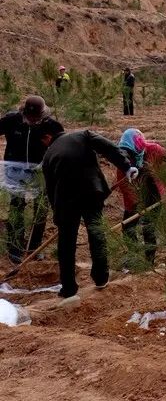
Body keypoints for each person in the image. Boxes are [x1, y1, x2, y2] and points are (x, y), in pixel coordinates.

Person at [42, 129, 138, 303]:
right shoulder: (83, 135)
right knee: (97, 233)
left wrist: (57, 215)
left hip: (66, 200)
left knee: (66, 244)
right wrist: (126, 166)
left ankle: (69, 288)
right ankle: (101, 278)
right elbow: (108, 148)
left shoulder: (48, 155)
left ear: (48, 137)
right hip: (92, 191)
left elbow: (50, 189)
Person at [1, 96, 64, 263]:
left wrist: (53, 144)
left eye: (36, 119)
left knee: (41, 209)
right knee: (17, 206)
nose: (33, 121)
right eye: (30, 118)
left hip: (40, 171)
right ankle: (15, 246)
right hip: (15, 171)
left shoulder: (51, 125)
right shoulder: (12, 120)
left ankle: (35, 246)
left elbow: (63, 144)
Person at [113, 129, 166, 266]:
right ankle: (135, 258)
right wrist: (137, 206)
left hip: (154, 195)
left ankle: (149, 263)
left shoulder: (153, 149)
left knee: (148, 228)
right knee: (128, 229)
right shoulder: (123, 161)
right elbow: (125, 187)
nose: (127, 154)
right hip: (134, 198)